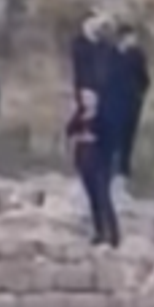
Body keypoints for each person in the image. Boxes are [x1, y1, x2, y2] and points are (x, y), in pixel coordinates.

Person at [66, 88, 120, 247]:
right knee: (93, 199)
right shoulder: (79, 117)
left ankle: (113, 234)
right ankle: (99, 232)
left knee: (104, 198)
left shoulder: (103, 118)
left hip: (101, 163)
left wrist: (94, 139)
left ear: (96, 99)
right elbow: (69, 131)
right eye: (83, 98)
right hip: (84, 163)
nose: (86, 101)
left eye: (89, 98)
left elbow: (111, 140)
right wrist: (78, 138)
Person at [104, 24, 150, 180]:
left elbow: (144, 78)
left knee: (128, 135)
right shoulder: (109, 54)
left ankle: (124, 168)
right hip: (112, 101)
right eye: (131, 37)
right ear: (122, 38)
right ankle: (109, 166)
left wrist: (139, 94)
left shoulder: (138, 55)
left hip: (132, 101)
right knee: (112, 135)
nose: (134, 40)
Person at [71, 13, 112, 96]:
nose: (92, 27)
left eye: (94, 25)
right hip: (86, 88)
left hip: (104, 88)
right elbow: (79, 67)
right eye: (89, 25)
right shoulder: (79, 44)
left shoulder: (104, 45)